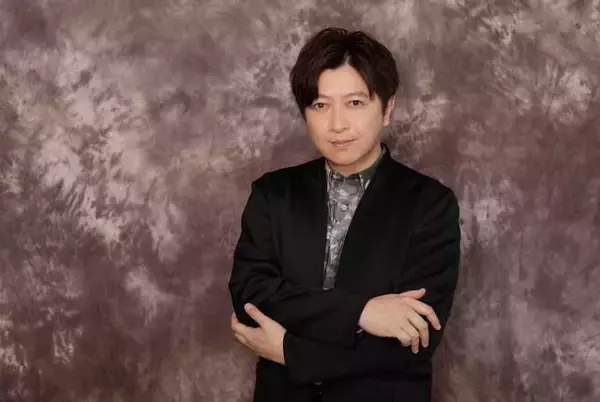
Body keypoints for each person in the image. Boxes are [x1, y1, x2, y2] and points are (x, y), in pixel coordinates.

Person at [228, 27, 461, 402]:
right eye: (320, 105)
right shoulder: (273, 194)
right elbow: (252, 297)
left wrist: (292, 352)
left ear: (387, 109)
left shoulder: (430, 204)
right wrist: (362, 312)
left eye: (355, 103)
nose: (337, 124)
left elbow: (414, 341)